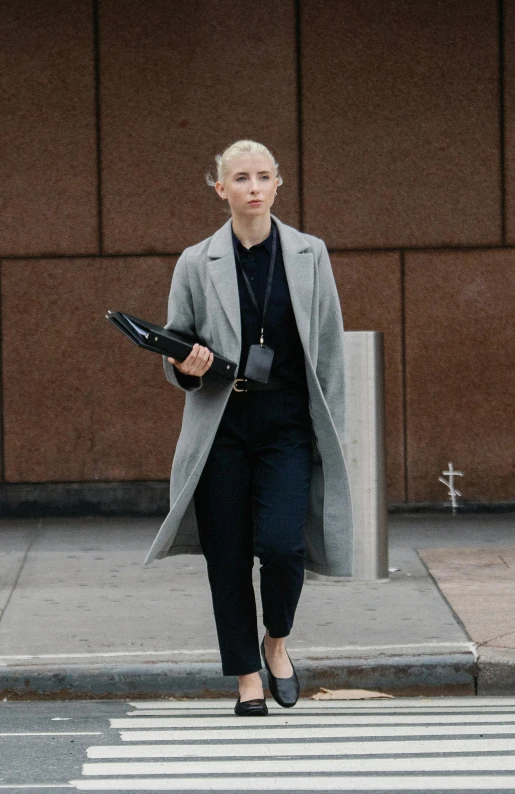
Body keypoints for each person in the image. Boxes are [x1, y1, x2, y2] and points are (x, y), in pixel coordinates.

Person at [145, 139, 353, 716]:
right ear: (221, 189)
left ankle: (276, 642)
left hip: (287, 421)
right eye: (241, 178)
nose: (253, 187)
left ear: (278, 186)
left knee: (284, 545)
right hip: (222, 422)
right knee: (229, 556)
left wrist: (332, 434)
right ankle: (246, 681)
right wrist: (183, 364)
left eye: (264, 177)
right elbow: (177, 342)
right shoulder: (195, 261)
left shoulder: (311, 254)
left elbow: (330, 351)